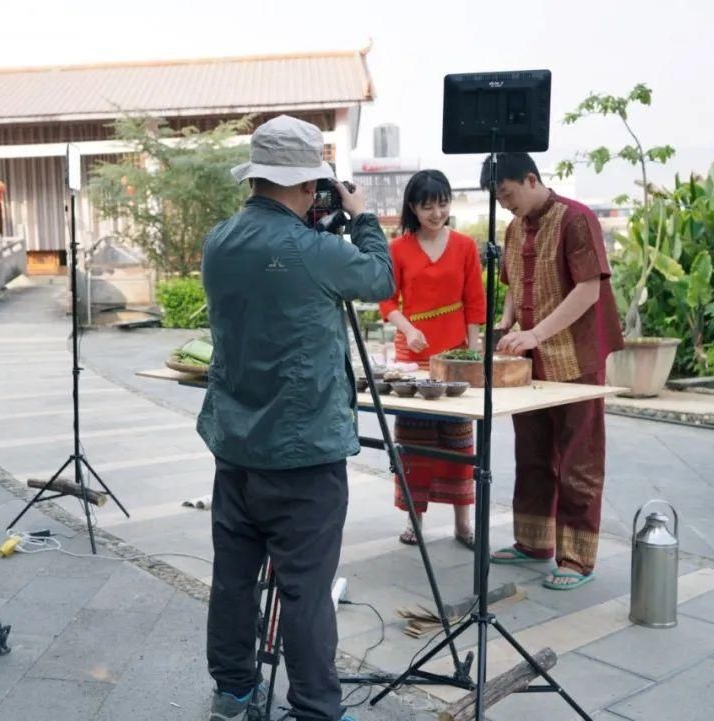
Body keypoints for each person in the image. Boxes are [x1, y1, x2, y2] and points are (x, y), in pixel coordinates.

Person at [198, 115, 395, 721]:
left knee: (234, 578)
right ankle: (313, 707)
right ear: (310, 187)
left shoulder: (218, 241)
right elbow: (381, 278)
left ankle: (233, 692)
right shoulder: (314, 251)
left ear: (256, 177)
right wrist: (363, 219)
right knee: (306, 588)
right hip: (303, 452)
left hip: (236, 445)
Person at [482, 152, 624, 591]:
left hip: (576, 358)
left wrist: (536, 333)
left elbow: (588, 291)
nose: (504, 204)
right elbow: (510, 285)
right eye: (498, 198)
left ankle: (577, 558)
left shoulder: (576, 219)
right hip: (531, 360)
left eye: (506, 194)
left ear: (530, 178)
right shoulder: (511, 228)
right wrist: (507, 324)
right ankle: (533, 542)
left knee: (578, 457)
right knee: (533, 451)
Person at [378, 170, 486, 550]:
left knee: (460, 442)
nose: (437, 212)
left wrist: (472, 355)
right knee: (413, 440)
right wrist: (407, 329)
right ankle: (415, 520)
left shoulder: (465, 246)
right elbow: (387, 301)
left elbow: (475, 301)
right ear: (413, 207)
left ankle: (463, 523)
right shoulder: (398, 248)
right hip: (414, 355)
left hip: (454, 355)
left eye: (442, 204)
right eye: (427, 206)